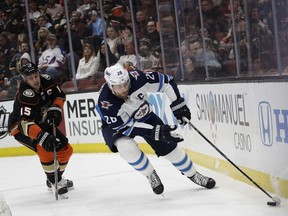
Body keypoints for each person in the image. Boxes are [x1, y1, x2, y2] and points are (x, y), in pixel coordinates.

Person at [96, 64, 216, 195]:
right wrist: (154, 132)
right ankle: (150, 174)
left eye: (125, 83)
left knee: (171, 149)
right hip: (118, 126)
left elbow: (166, 81)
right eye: (119, 86)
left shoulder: (137, 78)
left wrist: (178, 104)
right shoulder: (105, 103)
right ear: (110, 85)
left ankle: (194, 175)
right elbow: (126, 127)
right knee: (126, 147)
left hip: (145, 115)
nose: (124, 88)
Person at [8, 62, 73, 196]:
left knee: (66, 150)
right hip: (21, 128)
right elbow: (24, 124)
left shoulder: (47, 80)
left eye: (36, 76)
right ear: (25, 79)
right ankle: (55, 182)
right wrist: (41, 136)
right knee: (45, 148)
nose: (35, 80)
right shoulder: (24, 95)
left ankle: (55, 179)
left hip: (41, 122)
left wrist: (55, 109)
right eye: (31, 78)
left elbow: (60, 96)